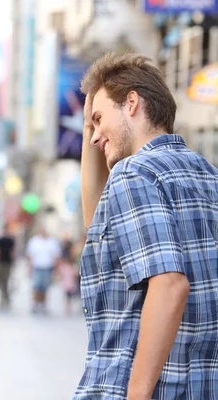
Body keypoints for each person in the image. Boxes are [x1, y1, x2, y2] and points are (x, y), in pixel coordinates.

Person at [75, 52, 218, 399]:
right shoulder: (207, 175)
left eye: (98, 119)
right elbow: (99, 227)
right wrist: (89, 125)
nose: (94, 138)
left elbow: (170, 285)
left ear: (132, 103)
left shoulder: (133, 173)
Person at [25, 227, 61, 314]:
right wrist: (29, 268)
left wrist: (56, 269)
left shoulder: (52, 242)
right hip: (37, 267)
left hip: (47, 267)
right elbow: (30, 256)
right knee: (36, 286)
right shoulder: (34, 241)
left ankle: (43, 304)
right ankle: (35, 303)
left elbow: (56, 256)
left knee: (45, 287)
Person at [0, 224, 16, 309]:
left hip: (7, 263)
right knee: (0, 280)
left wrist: (13, 262)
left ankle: (6, 297)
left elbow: (12, 252)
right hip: (1, 263)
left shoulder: (10, 240)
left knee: (5, 281)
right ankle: (4, 297)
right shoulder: (0, 240)